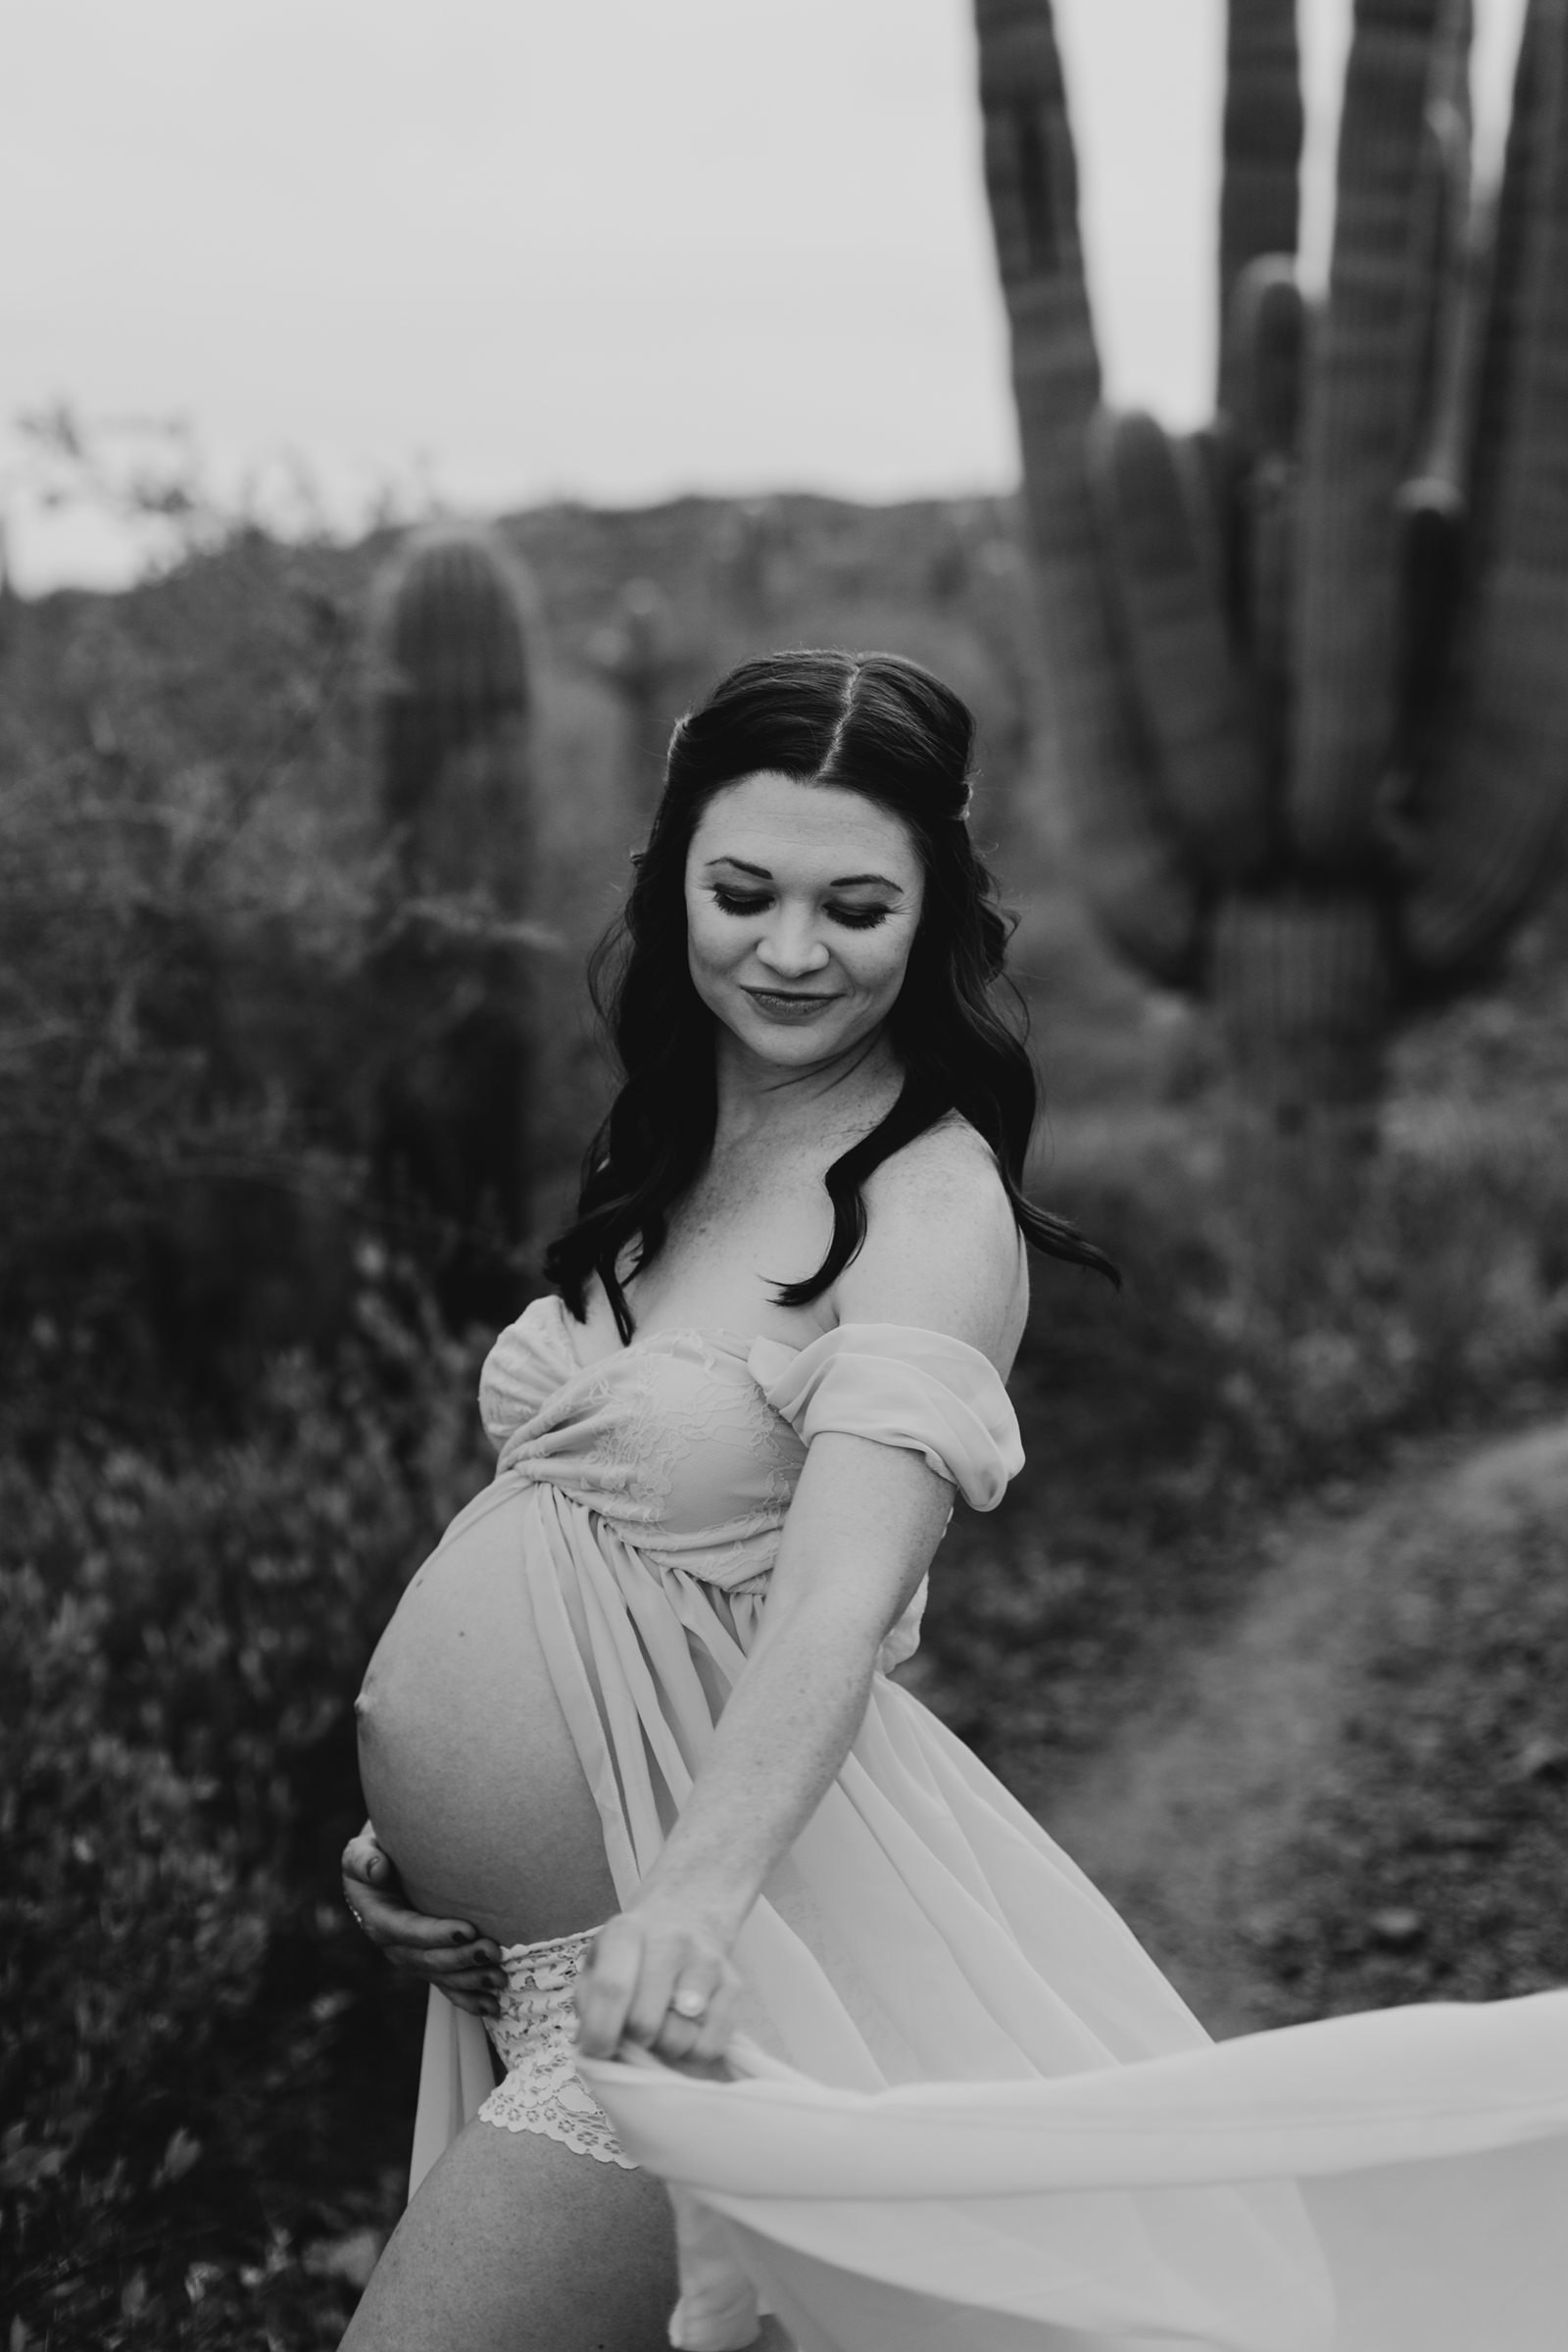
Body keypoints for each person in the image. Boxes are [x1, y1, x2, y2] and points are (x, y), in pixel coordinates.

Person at [339, 650, 1568, 2352]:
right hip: (541, 1947)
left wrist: (689, 1908)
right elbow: (589, 1558)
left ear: (933, 916)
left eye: (855, 906)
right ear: (670, 876)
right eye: (741, 892)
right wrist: (414, 1836)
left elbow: (841, 1596)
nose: (789, 950)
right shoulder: (666, 1161)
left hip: (686, 1967)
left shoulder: (929, 1208)